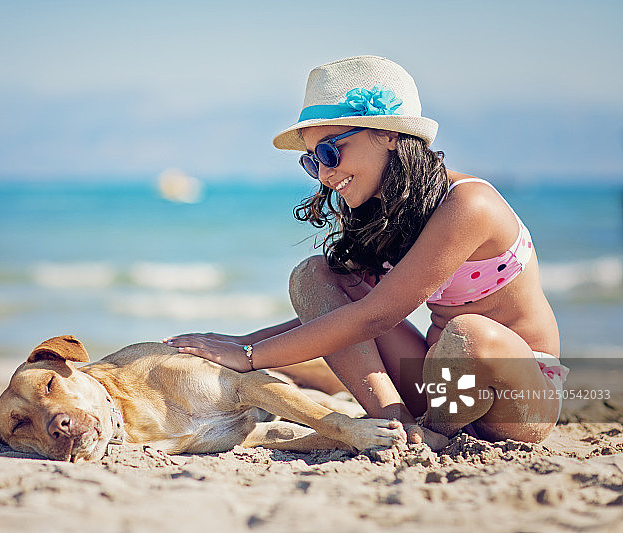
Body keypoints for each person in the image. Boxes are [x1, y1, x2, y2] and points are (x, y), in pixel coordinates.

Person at [165, 55, 566, 449]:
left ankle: (436, 436)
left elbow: (374, 317)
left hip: (516, 395)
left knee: (469, 334)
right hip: (439, 385)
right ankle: (398, 423)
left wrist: (250, 356)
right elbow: (337, 311)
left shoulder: (469, 205)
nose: (323, 174)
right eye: (311, 162)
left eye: (329, 152)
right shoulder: (385, 211)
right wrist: (239, 343)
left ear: (389, 135)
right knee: (313, 275)